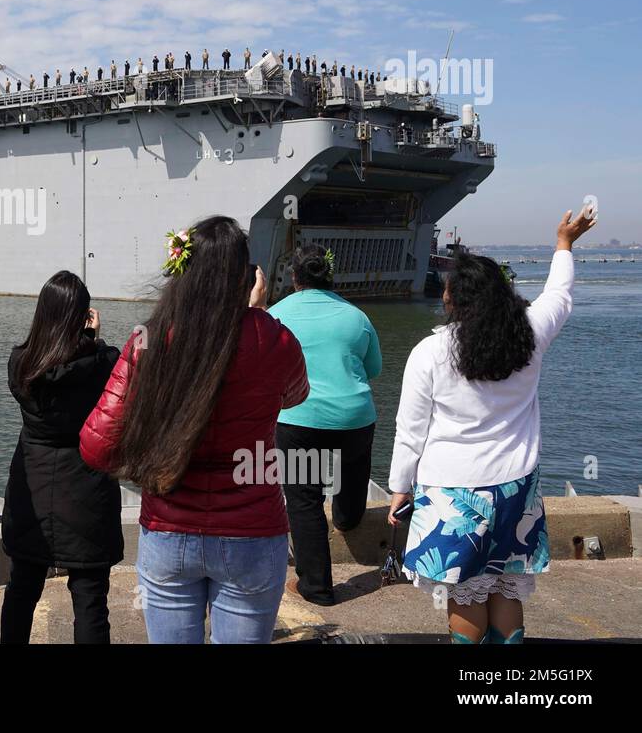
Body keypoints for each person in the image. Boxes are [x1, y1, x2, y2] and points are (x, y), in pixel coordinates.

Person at [80, 217, 309, 644]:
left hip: (169, 530)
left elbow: (96, 446)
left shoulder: (146, 338)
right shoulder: (274, 337)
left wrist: (149, 456)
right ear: (246, 278)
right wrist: (257, 319)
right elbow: (296, 393)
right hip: (253, 532)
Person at [389, 207, 595, 644]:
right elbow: (559, 294)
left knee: (465, 592)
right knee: (504, 585)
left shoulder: (429, 352)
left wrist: (399, 488)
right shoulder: (530, 334)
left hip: (451, 491)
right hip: (515, 488)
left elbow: (410, 431)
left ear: (452, 299)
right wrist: (564, 244)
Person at [0, 272, 123, 644]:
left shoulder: (20, 364)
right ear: (82, 316)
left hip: (32, 493)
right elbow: (98, 370)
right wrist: (92, 339)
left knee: (21, 590)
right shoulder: (104, 363)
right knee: (89, 600)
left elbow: (58, 368)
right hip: (87, 492)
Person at [268, 245, 382, 606]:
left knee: (304, 500)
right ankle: (347, 519)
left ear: (294, 278)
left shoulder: (276, 315)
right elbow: (374, 368)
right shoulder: (356, 316)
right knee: (352, 468)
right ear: (330, 276)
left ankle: (316, 587)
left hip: (299, 421)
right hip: (355, 420)